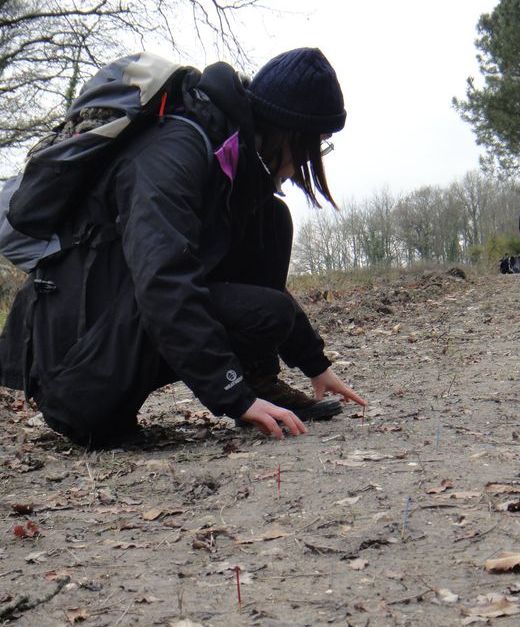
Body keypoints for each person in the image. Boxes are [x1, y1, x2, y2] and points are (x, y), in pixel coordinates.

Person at [0, 47, 366, 446]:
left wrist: (315, 364)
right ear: (292, 132)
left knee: (271, 220)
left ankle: (261, 379)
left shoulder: (228, 157)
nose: (309, 163)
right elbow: (163, 280)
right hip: (78, 379)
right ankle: (244, 386)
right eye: (319, 145)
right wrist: (234, 396)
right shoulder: (176, 150)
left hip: (117, 334)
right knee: (259, 297)